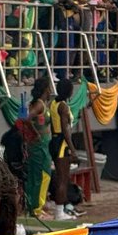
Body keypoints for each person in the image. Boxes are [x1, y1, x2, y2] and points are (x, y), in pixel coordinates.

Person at [48, 77, 81, 218]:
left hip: (54, 140)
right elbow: (66, 129)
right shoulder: (63, 107)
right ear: (68, 91)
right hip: (62, 142)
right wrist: (73, 150)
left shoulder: (53, 104)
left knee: (62, 178)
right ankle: (59, 212)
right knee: (63, 179)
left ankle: (60, 209)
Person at [22, 77, 54, 218]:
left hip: (41, 145)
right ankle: (36, 208)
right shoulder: (39, 105)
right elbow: (26, 118)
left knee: (36, 175)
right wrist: (35, 133)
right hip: (39, 145)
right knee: (42, 175)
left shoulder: (41, 103)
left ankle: (33, 206)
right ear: (46, 89)